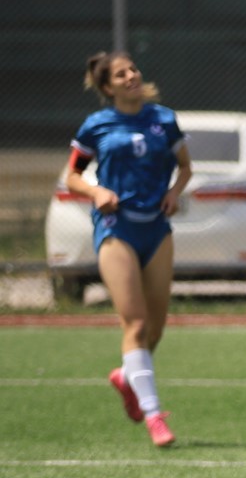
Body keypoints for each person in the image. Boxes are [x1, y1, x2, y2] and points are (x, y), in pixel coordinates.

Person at [62, 52, 191, 448]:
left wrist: (174, 193)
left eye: (133, 69)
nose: (132, 76)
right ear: (107, 87)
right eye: (121, 74)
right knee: (134, 324)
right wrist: (97, 190)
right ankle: (154, 417)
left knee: (155, 328)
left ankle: (126, 376)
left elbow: (184, 167)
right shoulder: (96, 125)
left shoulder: (164, 120)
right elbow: (72, 175)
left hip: (156, 229)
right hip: (116, 228)